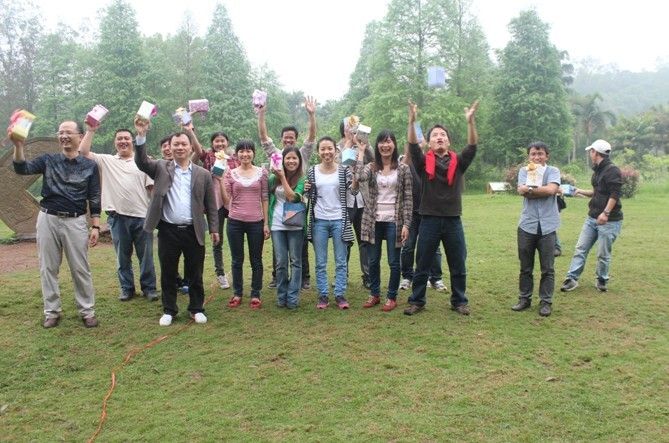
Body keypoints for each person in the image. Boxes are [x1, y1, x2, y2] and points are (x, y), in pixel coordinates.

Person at [9, 119, 101, 328]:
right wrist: (18, 146)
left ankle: (87, 311)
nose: (63, 136)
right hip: (48, 219)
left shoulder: (89, 166)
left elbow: (94, 196)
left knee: (80, 268)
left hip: (76, 221)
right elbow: (22, 168)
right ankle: (52, 312)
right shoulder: (48, 160)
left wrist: (95, 225)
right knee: (48, 267)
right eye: (60, 133)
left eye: (68, 132)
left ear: (79, 136)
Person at [134, 120, 219, 326]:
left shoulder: (203, 174)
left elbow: (211, 204)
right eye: (176, 144)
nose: (180, 147)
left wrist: (214, 228)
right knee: (168, 271)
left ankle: (196, 308)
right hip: (168, 230)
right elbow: (141, 162)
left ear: (190, 148)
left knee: (195, 272)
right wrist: (141, 135)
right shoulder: (161, 167)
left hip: (193, 230)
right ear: (170, 148)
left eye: (183, 144)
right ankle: (169, 309)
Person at [404, 99, 479, 316]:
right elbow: (412, 146)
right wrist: (412, 121)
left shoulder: (458, 162)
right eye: (435, 135)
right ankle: (417, 300)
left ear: (448, 141)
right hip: (428, 219)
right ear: (428, 142)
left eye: (443, 135)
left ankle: (459, 301)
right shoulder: (422, 162)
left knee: (458, 263)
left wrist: (470, 122)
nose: (439, 137)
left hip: (453, 219)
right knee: (422, 263)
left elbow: (472, 147)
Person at [79, 124, 158, 302]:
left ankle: (149, 288)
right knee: (123, 257)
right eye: (119, 139)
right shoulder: (107, 160)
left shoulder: (143, 161)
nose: (123, 141)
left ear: (132, 141)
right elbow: (83, 152)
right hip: (117, 217)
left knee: (146, 257)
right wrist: (91, 130)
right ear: (115, 142)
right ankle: (127, 289)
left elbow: (152, 190)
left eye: (126, 138)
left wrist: (155, 215)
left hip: (142, 217)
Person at [257, 96, 316, 289]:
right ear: (282, 139)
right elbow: (264, 138)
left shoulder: (302, 154)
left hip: (298, 201)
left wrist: (311, 115)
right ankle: (277, 276)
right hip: (279, 201)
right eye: (286, 137)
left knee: (300, 241)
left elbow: (311, 138)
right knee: (279, 242)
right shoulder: (276, 155)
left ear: (296, 139)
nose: (289, 139)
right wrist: (261, 114)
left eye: (292, 137)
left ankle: (304, 277)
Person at [355, 130, 412, 311]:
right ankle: (374, 294)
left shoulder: (403, 169)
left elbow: (408, 198)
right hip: (373, 220)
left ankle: (391, 297)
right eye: (382, 142)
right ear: (377, 145)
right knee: (373, 260)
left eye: (388, 142)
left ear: (394, 144)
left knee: (394, 262)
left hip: (394, 221)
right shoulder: (372, 167)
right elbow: (359, 177)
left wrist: (406, 224)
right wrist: (361, 152)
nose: (385, 146)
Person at [561, 139, 623, 293]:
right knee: (581, 248)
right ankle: (572, 278)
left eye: (591, 151)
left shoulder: (612, 170)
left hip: (609, 220)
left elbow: (615, 194)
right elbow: (598, 192)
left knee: (603, 253)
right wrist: (579, 191)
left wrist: (605, 213)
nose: (590, 154)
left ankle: (602, 279)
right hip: (592, 217)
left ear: (595, 152)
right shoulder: (598, 170)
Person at [511, 141, 561, 317]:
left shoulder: (553, 171)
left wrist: (530, 191)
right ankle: (524, 299)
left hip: (548, 227)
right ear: (529, 156)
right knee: (525, 267)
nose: (537, 157)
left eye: (540, 154)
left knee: (548, 268)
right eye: (533, 154)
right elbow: (521, 191)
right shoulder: (524, 171)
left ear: (547, 156)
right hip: (527, 225)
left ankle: (546, 302)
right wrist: (533, 190)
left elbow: (551, 190)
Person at [306, 136, 356, 309]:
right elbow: (308, 195)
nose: (326, 152)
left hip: (339, 219)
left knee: (341, 260)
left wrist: (355, 176)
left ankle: (340, 294)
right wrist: (307, 189)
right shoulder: (312, 171)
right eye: (323, 149)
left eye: (330, 148)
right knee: (320, 262)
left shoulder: (343, 170)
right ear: (318, 151)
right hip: (319, 220)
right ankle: (323, 295)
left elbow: (353, 191)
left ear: (336, 150)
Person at [221, 140, 270, 309]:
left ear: (254, 153)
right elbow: (226, 200)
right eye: (241, 151)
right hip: (235, 222)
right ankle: (237, 293)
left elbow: (265, 198)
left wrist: (266, 223)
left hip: (256, 222)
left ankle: (256, 294)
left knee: (256, 260)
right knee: (237, 260)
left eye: (249, 151)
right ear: (237, 154)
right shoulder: (230, 173)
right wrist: (220, 180)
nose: (245, 154)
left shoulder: (262, 173)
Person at [191, 130, 239, 290]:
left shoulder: (233, 159)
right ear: (212, 143)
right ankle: (220, 273)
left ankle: (236, 271)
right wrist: (190, 131)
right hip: (214, 203)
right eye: (217, 141)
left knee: (235, 238)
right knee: (217, 239)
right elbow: (197, 149)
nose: (220, 144)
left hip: (231, 202)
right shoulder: (209, 157)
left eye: (222, 141)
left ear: (227, 142)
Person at [399, 149, 447, 292]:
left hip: (430, 212)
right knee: (408, 246)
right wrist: (408, 152)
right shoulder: (405, 160)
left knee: (434, 248)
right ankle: (407, 277)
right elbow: (399, 173)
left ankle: (435, 278)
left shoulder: (432, 160)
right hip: (411, 213)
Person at [268, 147, 307, 309]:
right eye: (288, 158)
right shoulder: (272, 179)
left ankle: (292, 297)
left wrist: (282, 177)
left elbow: (292, 198)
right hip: (277, 225)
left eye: (294, 158)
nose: (291, 161)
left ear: (299, 161)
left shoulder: (302, 179)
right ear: (282, 160)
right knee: (281, 262)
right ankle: (281, 295)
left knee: (296, 261)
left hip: (295, 225)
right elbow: (266, 198)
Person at [338, 120, 373, 290]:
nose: (352, 131)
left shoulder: (364, 146)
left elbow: (374, 161)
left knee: (364, 240)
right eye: (348, 128)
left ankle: (368, 276)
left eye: (355, 128)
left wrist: (365, 144)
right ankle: (342, 275)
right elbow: (337, 166)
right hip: (344, 201)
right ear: (343, 131)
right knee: (344, 239)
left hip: (363, 200)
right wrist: (347, 146)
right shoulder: (337, 147)